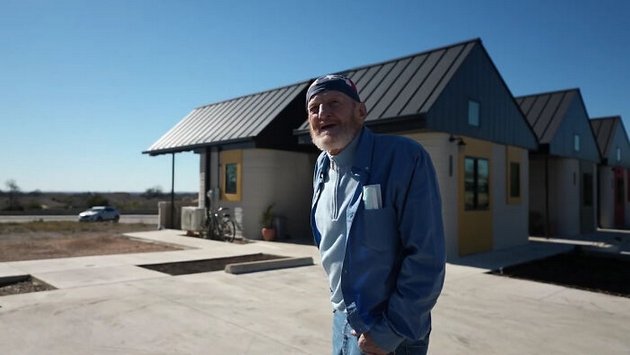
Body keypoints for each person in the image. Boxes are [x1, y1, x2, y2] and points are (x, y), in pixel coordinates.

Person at [307, 74, 446, 355]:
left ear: (361, 112)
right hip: (342, 321)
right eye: (314, 108)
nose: (323, 113)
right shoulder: (322, 167)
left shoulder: (404, 158)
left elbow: (426, 256)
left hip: (389, 332)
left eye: (334, 102)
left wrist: (391, 330)